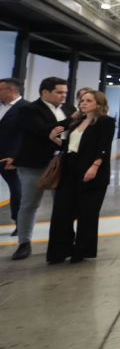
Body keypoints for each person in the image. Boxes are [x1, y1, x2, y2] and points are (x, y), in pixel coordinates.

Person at [46, 91, 116, 264]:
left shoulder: (105, 122)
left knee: (87, 213)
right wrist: (54, 138)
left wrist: (95, 166)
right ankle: (60, 251)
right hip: (69, 169)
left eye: (88, 100)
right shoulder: (76, 121)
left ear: (98, 104)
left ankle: (81, 250)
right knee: (61, 212)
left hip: (92, 171)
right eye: (82, 100)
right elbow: (70, 146)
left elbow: (104, 147)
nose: (83, 103)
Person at [11, 77, 69, 260]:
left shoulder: (68, 109)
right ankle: (24, 242)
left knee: (62, 205)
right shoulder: (29, 109)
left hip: (62, 163)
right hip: (34, 164)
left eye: (65, 93)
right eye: (59, 92)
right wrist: (71, 121)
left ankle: (62, 242)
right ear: (45, 92)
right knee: (29, 204)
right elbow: (42, 131)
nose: (63, 96)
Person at [0, 78, 30, 232]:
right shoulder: (1, 106)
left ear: (11, 90)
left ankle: (20, 223)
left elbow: (27, 136)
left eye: (0, 90)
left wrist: (16, 157)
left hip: (10, 157)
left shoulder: (26, 108)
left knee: (17, 189)